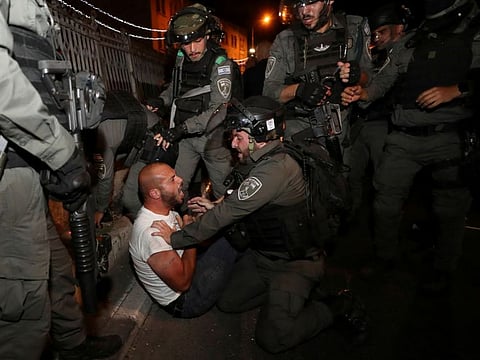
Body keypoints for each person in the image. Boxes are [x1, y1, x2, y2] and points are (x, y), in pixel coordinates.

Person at [152, 96, 368, 353]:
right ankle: (288, 299)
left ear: (259, 135)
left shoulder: (275, 169)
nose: (232, 143)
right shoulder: (263, 159)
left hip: (295, 263)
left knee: (273, 339)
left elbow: (227, 214)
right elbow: (240, 199)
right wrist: (215, 205)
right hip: (264, 256)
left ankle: (337, 305)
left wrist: (175, 238)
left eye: (238, 137)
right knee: (228, 301)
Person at [341, 0, 480, 292]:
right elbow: (383, 82)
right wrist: (362, 93)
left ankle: (444, 267)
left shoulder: (472, 33)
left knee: (450, 209)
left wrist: (456, 91)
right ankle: (385, 258)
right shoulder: (412, 41)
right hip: (403, 136)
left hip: (448, 136)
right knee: (385, 201)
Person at [0, 1, 90, 357]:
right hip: (13, 164)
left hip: (28, 156)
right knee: (21, 310)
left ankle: (74, 344)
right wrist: (61, 152)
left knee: (56, 269)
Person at [150, 3, 238, 206]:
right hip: (185, 138)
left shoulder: (220, 64)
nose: (191, 49)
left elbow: (219, 109)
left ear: (207, 35)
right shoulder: (181, 58)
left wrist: (182, 128)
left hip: (212, 139)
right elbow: (176, 88)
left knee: (224, 193)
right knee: (175, 190)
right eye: (186, 44)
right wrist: (161, 101)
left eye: (197, 41)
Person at [129, 162, 237, 318]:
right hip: (187, 301)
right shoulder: (152, 235)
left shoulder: (163, 210)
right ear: (155, 194)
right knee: (230, 235)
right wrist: (189, 235)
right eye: (172, 179)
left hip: (187, 267)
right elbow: (183, 283)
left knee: (218, 231)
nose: (180, 180)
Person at [263, 0, 373, 149]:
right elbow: (269, 92)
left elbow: (371, 80)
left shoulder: (354, 28)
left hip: (343, 130)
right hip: (300, 130)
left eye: (311, 2)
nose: (304, 11)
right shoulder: (286, 39)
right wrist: (299, 90)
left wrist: (357, 76)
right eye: (299, 5)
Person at [347, 3, 409, 217]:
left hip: (385, 125)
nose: (377, 38)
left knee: (385, 181)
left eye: (382, 32)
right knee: (352, 175)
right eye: (374, 34)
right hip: (361, 122)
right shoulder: (376, 55)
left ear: (399, 29)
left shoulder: (409, 53)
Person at [92, 90, 176, 226]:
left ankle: (157, 228)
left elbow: (105, 176)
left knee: (130, 198)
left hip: (154, 141)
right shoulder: (94, 112)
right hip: (140, 134)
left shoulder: (104, 135)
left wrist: (100, 210)